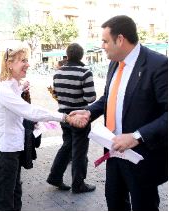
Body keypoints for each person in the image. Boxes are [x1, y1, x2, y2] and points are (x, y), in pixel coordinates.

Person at [71, 15, 167, 210]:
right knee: (114, 203)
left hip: (142, 158)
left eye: (105, 41)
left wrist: (137, 137)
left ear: (120, 39)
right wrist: (89, 112)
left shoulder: (158, 65)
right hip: (114, 153)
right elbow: (108, 98)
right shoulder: (114, 63)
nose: (102, 45)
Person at [0, 47, 87, 210]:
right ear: (9, 64)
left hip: (13, 148)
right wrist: (65, 117)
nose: (28, 64)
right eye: (23, 60)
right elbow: (30, 111)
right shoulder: (4, 89)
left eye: (27, 60)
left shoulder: (13, 85)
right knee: (5, 198)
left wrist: (22, 88)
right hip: (5, 151)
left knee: (15, 192)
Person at [47, 43, 97, 193]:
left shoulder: (58, 73)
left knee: (67, 147)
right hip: (80, 117)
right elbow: (91, 98)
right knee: (79, 151)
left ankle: (55, 176)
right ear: (81, 56)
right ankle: (78, 184)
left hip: (64, 117)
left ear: (67, 55)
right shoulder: (85, 72)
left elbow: (57, 94)